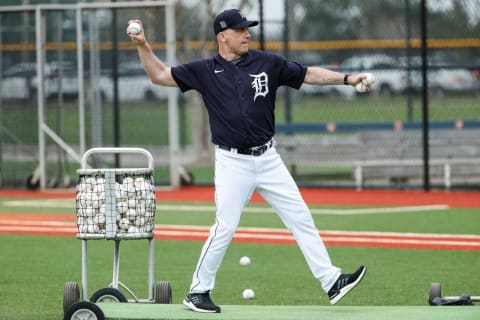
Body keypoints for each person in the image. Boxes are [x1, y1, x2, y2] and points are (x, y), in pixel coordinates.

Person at [128, 9, 369, 314]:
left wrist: (347, 79)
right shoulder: (204, 70)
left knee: (300, 217)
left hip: (268, 158)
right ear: (222, 36)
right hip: (232, 162)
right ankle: (198, 291)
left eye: (247, 29)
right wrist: (142, 46)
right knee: (225, 227)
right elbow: (159, 75)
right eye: (240, 29)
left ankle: (331, 280)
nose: (247, 34)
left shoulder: (268, 62)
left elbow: (308, 73)